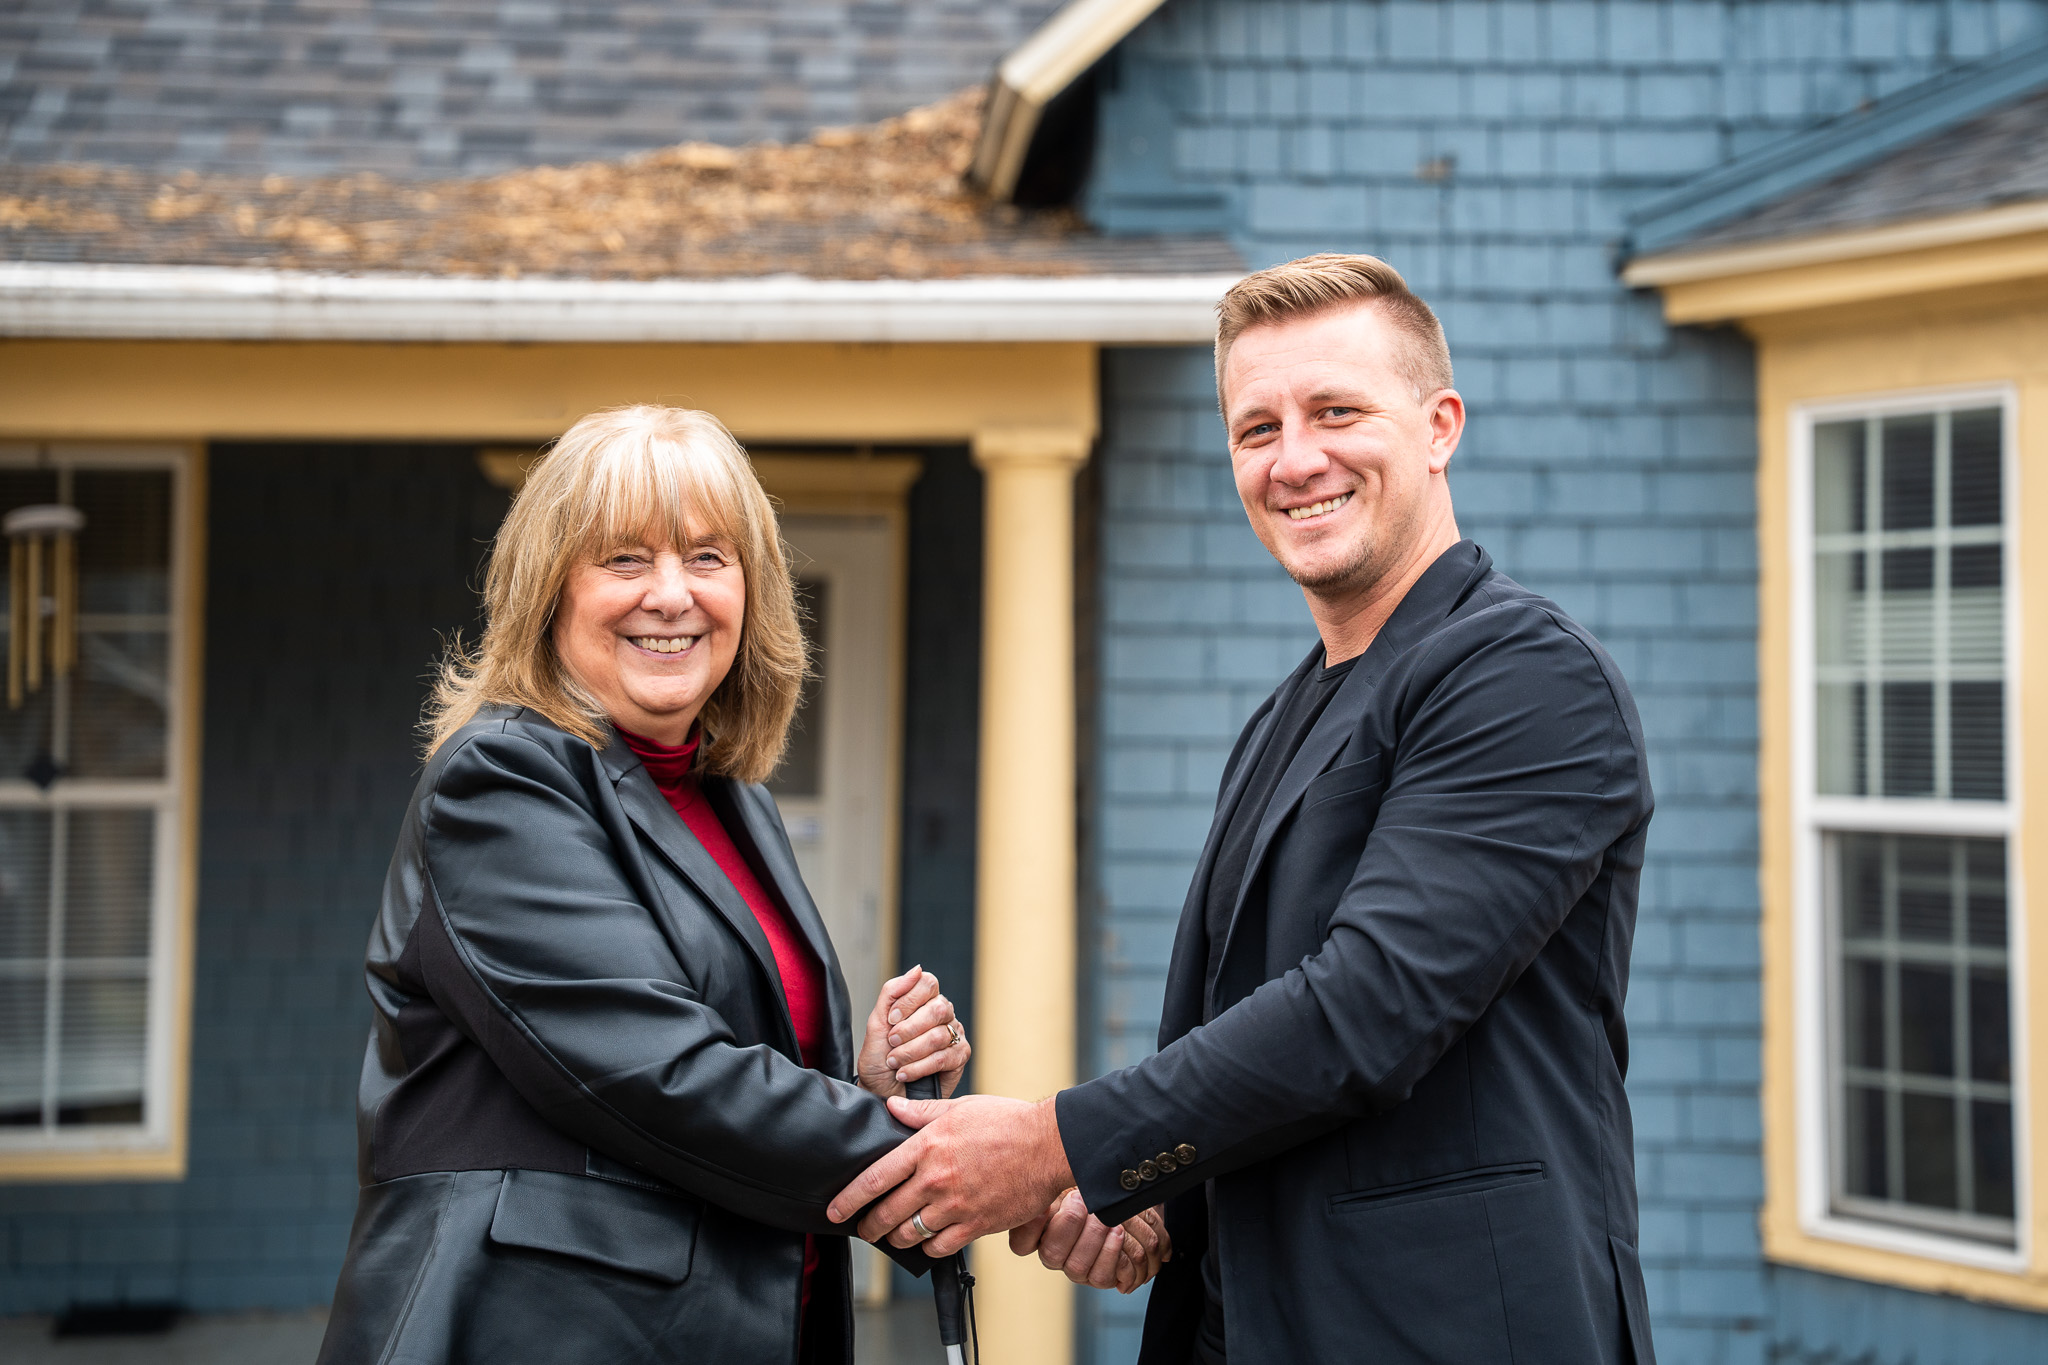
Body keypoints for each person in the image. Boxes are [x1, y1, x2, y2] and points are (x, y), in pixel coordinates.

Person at [829, 255, 1658, 1365]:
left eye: (1336, 411)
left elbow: (1365, 1013)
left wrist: (1050, 1146)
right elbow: (1260, 1063)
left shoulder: (1521, 675)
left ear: (1438, 427)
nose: (1294, 458)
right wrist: (1157, 1202)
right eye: (1254, 428)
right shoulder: (1285, 716)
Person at [317, 405, 984, 1365]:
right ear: (550, 592)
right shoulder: (500, 783)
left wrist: (864, 1087)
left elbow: (721, 1071)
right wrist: (964, 1161)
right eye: (625, 559)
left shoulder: (728, 798)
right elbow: (661, 1078)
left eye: (708, 557)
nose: (671, 595)